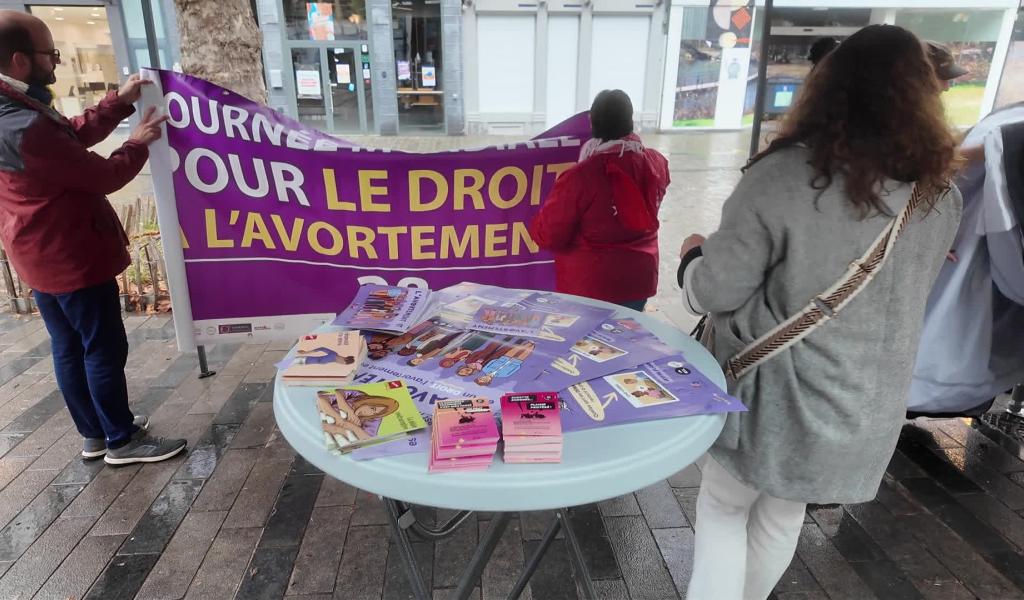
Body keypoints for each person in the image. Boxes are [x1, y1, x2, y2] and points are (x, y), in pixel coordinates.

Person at [676, 25, 961, 599]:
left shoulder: (783, 177)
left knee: (725, 507)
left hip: (769, 397)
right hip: (861, 406)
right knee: (782, 516)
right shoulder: (940, 197)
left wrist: (690, 261)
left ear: (826, 87)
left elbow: (716, 292)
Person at [0, 11, 185, 465]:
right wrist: (137, 142)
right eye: (51, 53)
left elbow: (70, 137)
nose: (57, 62)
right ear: (21, 60)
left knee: (68, 346)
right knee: (102, 347)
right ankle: (122, 441)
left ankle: (97, 433)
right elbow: (102, 175)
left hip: (36, 254)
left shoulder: (14, 107)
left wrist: (118, 104)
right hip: (71, 256)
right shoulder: (21, 124)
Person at [529, 90, 670, 312]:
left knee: (588, 346)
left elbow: (550, 235)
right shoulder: (657, 163)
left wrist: (532, 219)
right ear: (630, 121)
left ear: (592, 122)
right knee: (625, 342)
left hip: (589, 289)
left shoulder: (580, 177)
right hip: (639, 282)